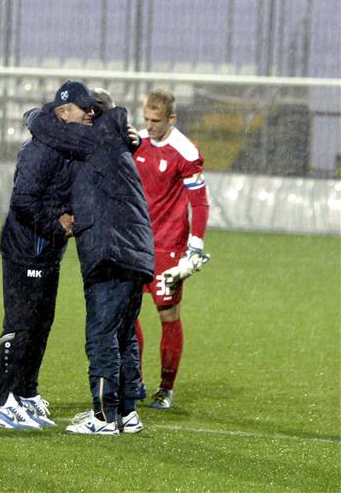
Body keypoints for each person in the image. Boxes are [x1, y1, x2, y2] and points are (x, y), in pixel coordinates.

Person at [25, 80, 155, 435]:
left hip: (111, 250)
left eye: (69, 110)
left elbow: (41, 125)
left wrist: (36, 114)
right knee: (124, 335)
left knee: (100, 336)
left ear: (91, 113)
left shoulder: (95, 137)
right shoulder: (112, 141)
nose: (63, 117)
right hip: (134, 250)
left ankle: (103, 417)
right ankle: (127, 413)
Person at [0, 85, 80, 430]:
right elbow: (22, 203)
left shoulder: (64, 146)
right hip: (25, 249)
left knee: (41, 326)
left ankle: (26, 394)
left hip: (48, 251)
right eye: (81, 109)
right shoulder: (39, 150)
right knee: (20, 325)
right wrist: (56, 224)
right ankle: (4, 402)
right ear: (62, 113)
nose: (87, 116)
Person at [133, 89, 210, 410]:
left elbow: (199, 202)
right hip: (134, 244)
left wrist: (196, 245)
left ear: (171, 119)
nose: (149, 126)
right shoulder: (135, 142)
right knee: (125, 314)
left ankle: (166, 388)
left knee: (168, 316)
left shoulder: (185, 152)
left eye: (156, 121)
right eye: (146, 119)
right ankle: (132, 381)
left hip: (168, 249)